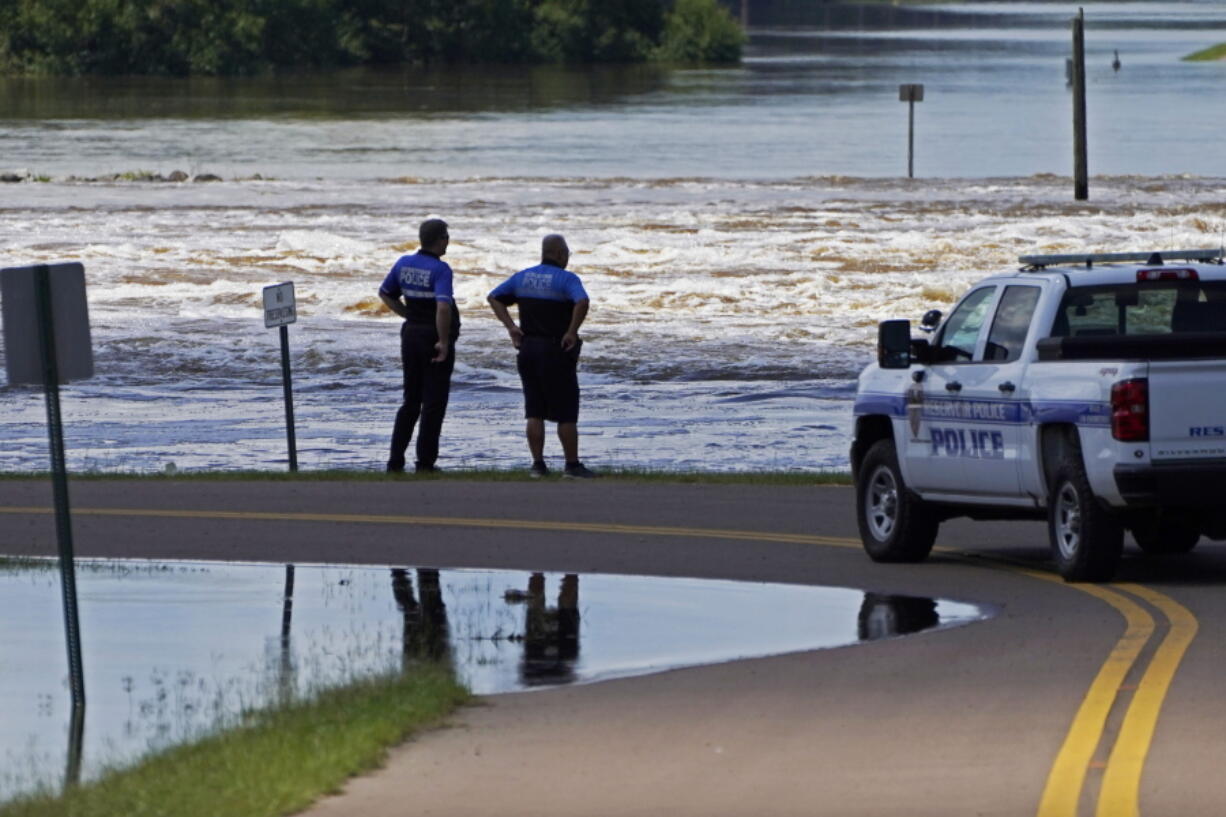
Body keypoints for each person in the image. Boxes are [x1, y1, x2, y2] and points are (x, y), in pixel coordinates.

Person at [488, 234, 595, 478]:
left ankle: (538, 466)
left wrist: (511, 327)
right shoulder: (567, 279)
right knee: (566, 410)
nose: (567, 258)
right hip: (556, 349)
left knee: (534, 409)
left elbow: (494, 297)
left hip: (528, 349)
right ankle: (572, 465)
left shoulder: (522, 276)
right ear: (559, 254)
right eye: (566, 253)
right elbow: (582, 301)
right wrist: (571, 331)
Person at [378, 218, 460, 473]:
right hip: (432, 339)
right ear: (440, 239)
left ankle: (395, 461)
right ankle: (425, 463)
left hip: (411, 334)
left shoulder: (403, 263)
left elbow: (385, 293)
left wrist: (407, 315)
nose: (448, 241)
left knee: (411, 400)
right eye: (446, 236)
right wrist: (444, 341)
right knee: (434, 402)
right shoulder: (441, 269)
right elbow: (443, 307)